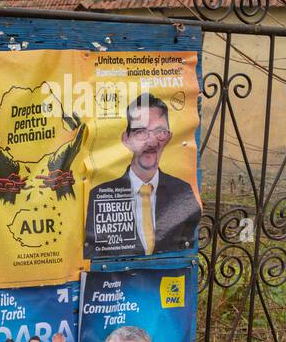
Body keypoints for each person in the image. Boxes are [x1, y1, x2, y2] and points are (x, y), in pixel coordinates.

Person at [84, 93, 201, 257]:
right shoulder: (98, 195)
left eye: (160, 131)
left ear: (169, 137)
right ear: (126, 139)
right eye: (140, 132)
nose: (152, 142)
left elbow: (187, 251)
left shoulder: (182, 192)